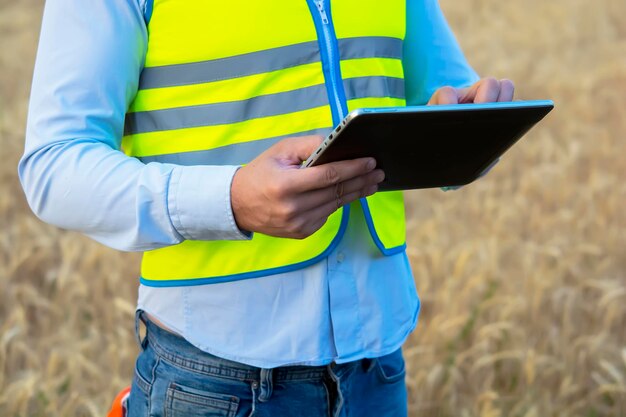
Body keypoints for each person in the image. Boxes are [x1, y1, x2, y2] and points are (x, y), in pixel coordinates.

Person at [19, 0, 514, 415]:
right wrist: (231, 201)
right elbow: (53, 165)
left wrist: (472, 124)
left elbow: (444, 97)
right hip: (211, 381)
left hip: (378, 368)